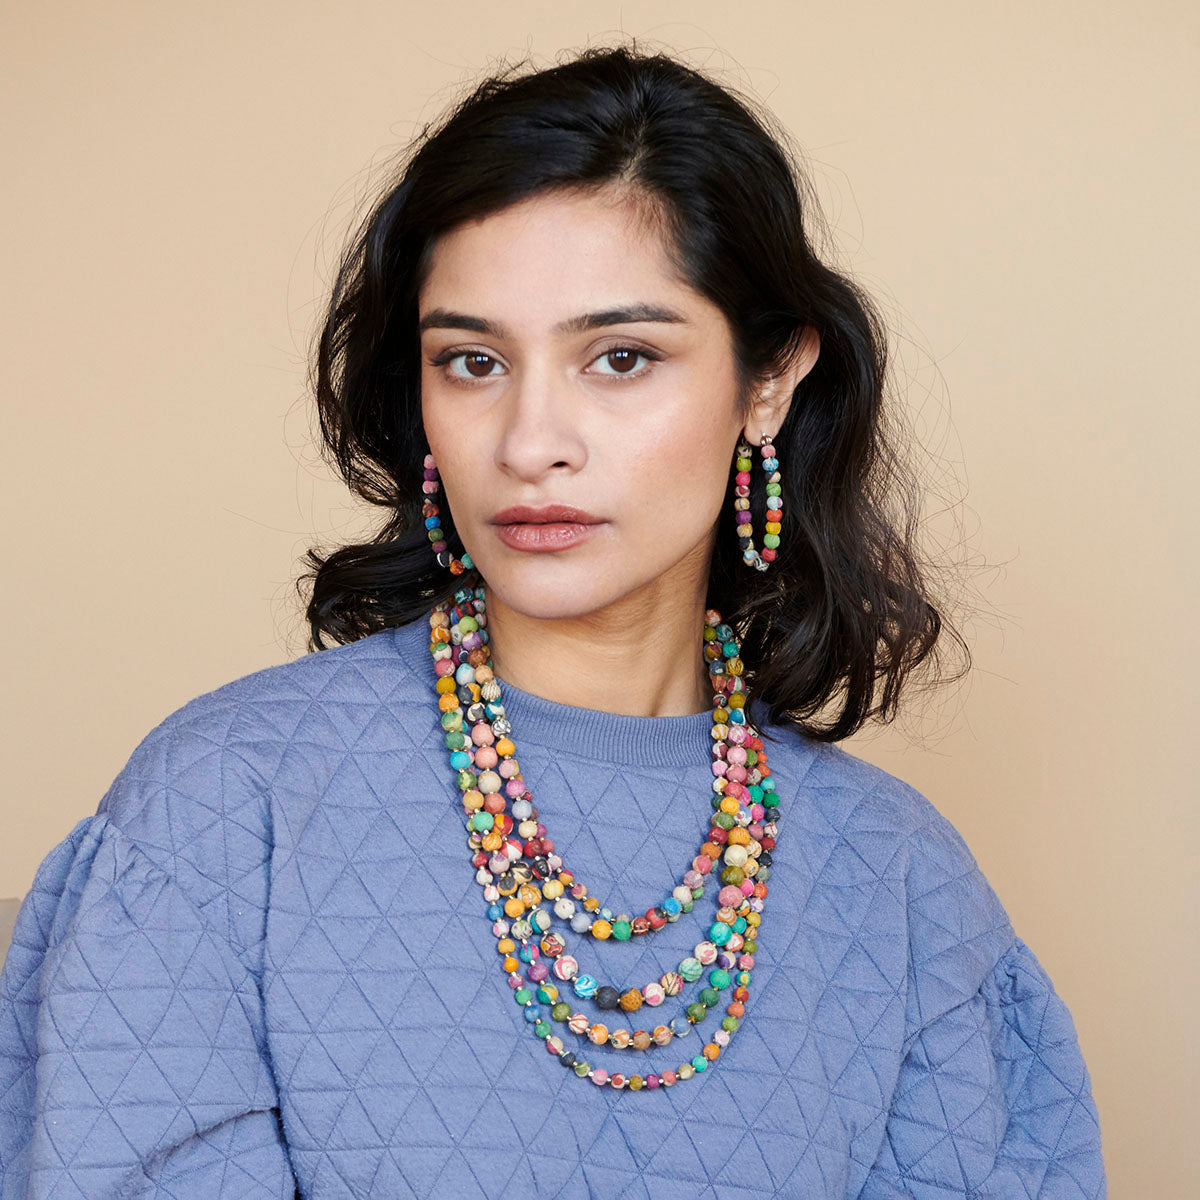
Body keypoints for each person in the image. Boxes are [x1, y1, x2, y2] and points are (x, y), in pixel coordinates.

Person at [0, 42, 1105, 1199]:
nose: (529, 443)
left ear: (768, 379)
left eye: (620, 357)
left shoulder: (904, 884)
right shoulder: (221, 813)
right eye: (472, 362)